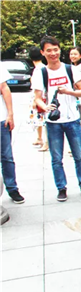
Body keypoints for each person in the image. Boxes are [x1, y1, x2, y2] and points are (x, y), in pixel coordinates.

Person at [32, 36, 81, 202]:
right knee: (56, 158)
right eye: (49, 50)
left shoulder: (70, 69)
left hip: (72, 119)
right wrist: (44, 107)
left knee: (79, 156)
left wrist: (68, 92)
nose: (53, 53)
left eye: (55, 49)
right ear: (42, 53)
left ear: (60, 50)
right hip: (53, 123)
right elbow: (37, 97)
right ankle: (61, 188)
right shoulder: (40, 72)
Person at [0, 65, 25, 204]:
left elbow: (4, 88)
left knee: (6, 156)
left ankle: (12, 188)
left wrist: (10, 114)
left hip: (1, 120)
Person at [28, 46, 49, 152]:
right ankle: (40, 138)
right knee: (39, 119)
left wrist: (36, 101)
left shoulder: (38, 70)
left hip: (40, 99)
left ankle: (46, 142)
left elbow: (38, 88)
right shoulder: (43, 67)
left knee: (43, 120)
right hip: (43, 98)